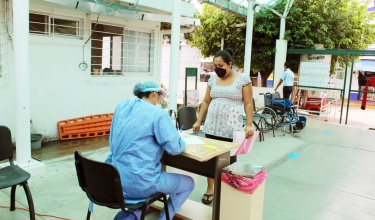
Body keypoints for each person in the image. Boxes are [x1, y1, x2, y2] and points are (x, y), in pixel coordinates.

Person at [105, 81, 194, 220]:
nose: (159, 101)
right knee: (188, 183)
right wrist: (180, 139)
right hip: (141, 182)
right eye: (159, 97)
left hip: (116, 179)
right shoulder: (157, 113)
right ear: (153, 93)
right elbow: (175, 148)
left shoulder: (122, 106)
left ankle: (134, 214)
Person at [192, 49, 254, 205]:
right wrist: (199, 121)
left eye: (221, 65)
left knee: (230, 160)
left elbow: (248, 103)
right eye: (215, 66)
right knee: (211, 159)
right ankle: (210, 188)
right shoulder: (213, 80)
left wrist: (249, 124)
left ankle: (229, 189)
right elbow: (206, 101)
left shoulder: (242, 79)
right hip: (211, 127)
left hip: (231, 129)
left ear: (230, 64)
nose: (217, 68)